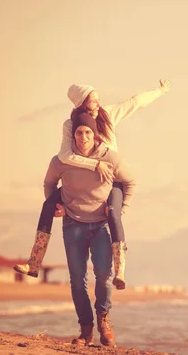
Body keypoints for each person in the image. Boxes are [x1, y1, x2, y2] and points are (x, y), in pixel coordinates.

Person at [14, 79, 170, 289]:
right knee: (48, 205)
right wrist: (95, 164)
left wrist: (159, 91)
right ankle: (33, 264)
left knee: (114, 213)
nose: (98, 103)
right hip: (79, 181)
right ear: (81, 103)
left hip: (108, 182)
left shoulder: (108, 115)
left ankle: (120, 270)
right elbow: (65, 156)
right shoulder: (71, 125)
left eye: (97, 99)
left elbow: (134, 103)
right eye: (93, 100)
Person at [45, 110, 136, 346]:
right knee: (77, 279)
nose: (83, 137)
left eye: (87, 132)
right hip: (73, 224)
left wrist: (120, 210)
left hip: (102, 226)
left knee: (104, 277)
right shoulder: (61, 160)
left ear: (95, 136)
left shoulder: (111, 158)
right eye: (79, 132)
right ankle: (86, 329)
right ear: (73, 135)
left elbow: (131, 181)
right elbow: (49, 182)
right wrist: (56, 206)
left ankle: (104, 320)